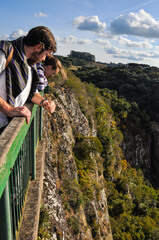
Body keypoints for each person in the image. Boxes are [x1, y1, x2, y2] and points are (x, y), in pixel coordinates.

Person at [0, 26, 57, 133]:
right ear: (38, 47)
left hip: (5, 127)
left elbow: (30, 94)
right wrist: (9, 110)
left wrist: (44, 102)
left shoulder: (31, 65)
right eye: (45, 54)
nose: (44, 59)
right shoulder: (6, 50)